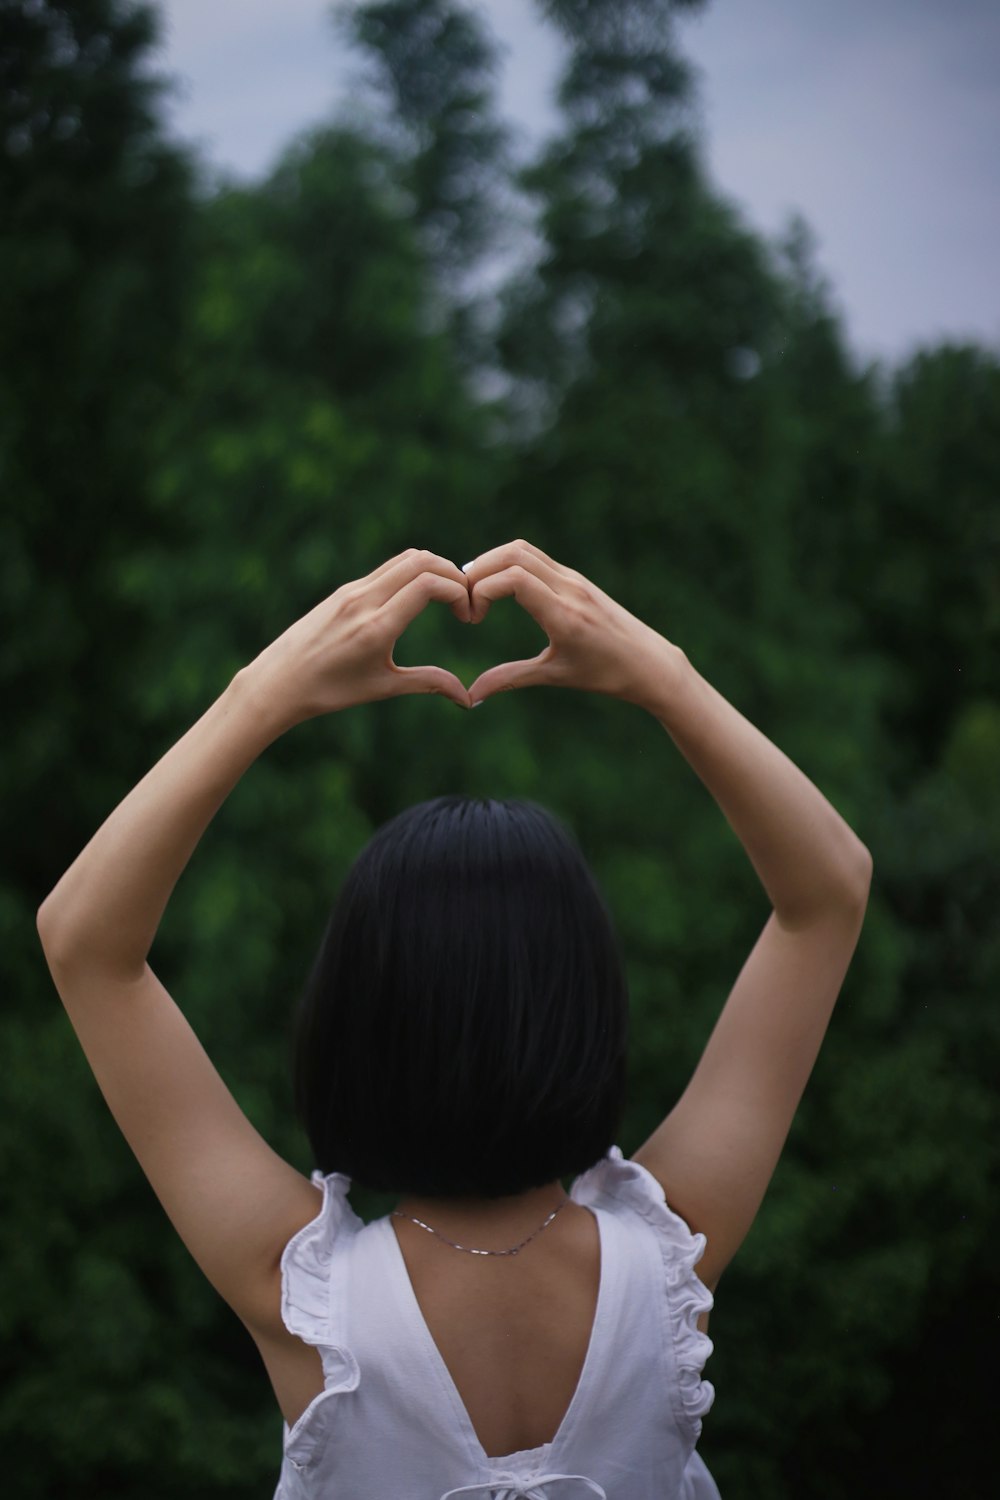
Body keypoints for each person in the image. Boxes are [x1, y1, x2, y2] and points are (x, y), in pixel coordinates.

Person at [36, 539, 872, 1499]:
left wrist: (262, 695)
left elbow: (84, 942)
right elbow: (828, 895)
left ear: (353, 1023)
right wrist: (664, 679)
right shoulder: (672, 1261)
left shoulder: (308, 1304)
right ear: (587, 1011)